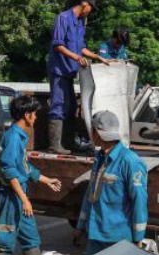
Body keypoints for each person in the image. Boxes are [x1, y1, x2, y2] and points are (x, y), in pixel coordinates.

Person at [0, 94, 62, 255]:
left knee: (30, 235)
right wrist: (24, 199)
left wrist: (47, 180)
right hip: (11, 196)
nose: (36, 117)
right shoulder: (14, 138)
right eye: (35, 113)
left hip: (18, 194)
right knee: (6, 236)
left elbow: (24, 167)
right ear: (27, 115)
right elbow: (10, 172)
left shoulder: (18, 136)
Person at [74, 111, 148, 255]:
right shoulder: (99, 158)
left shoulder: (129, 161)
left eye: (92, 131)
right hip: (94, 236)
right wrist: (80, 226)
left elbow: (139, 200)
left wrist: (138, 237)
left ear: (96, 133)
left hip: (118, 238)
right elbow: (91, 194)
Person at [47, 0, 110, 154]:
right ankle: (54, 144)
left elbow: (82, 48)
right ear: (84, 3)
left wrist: (98, 57)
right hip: (59, 70)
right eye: (91, 8)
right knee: (59, 105)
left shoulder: (80, 23)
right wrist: (77, 58)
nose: (90, 11)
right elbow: (58, 45)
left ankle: (68, 143)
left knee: (71, 107)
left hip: (70, 71)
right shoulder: (63, 18)